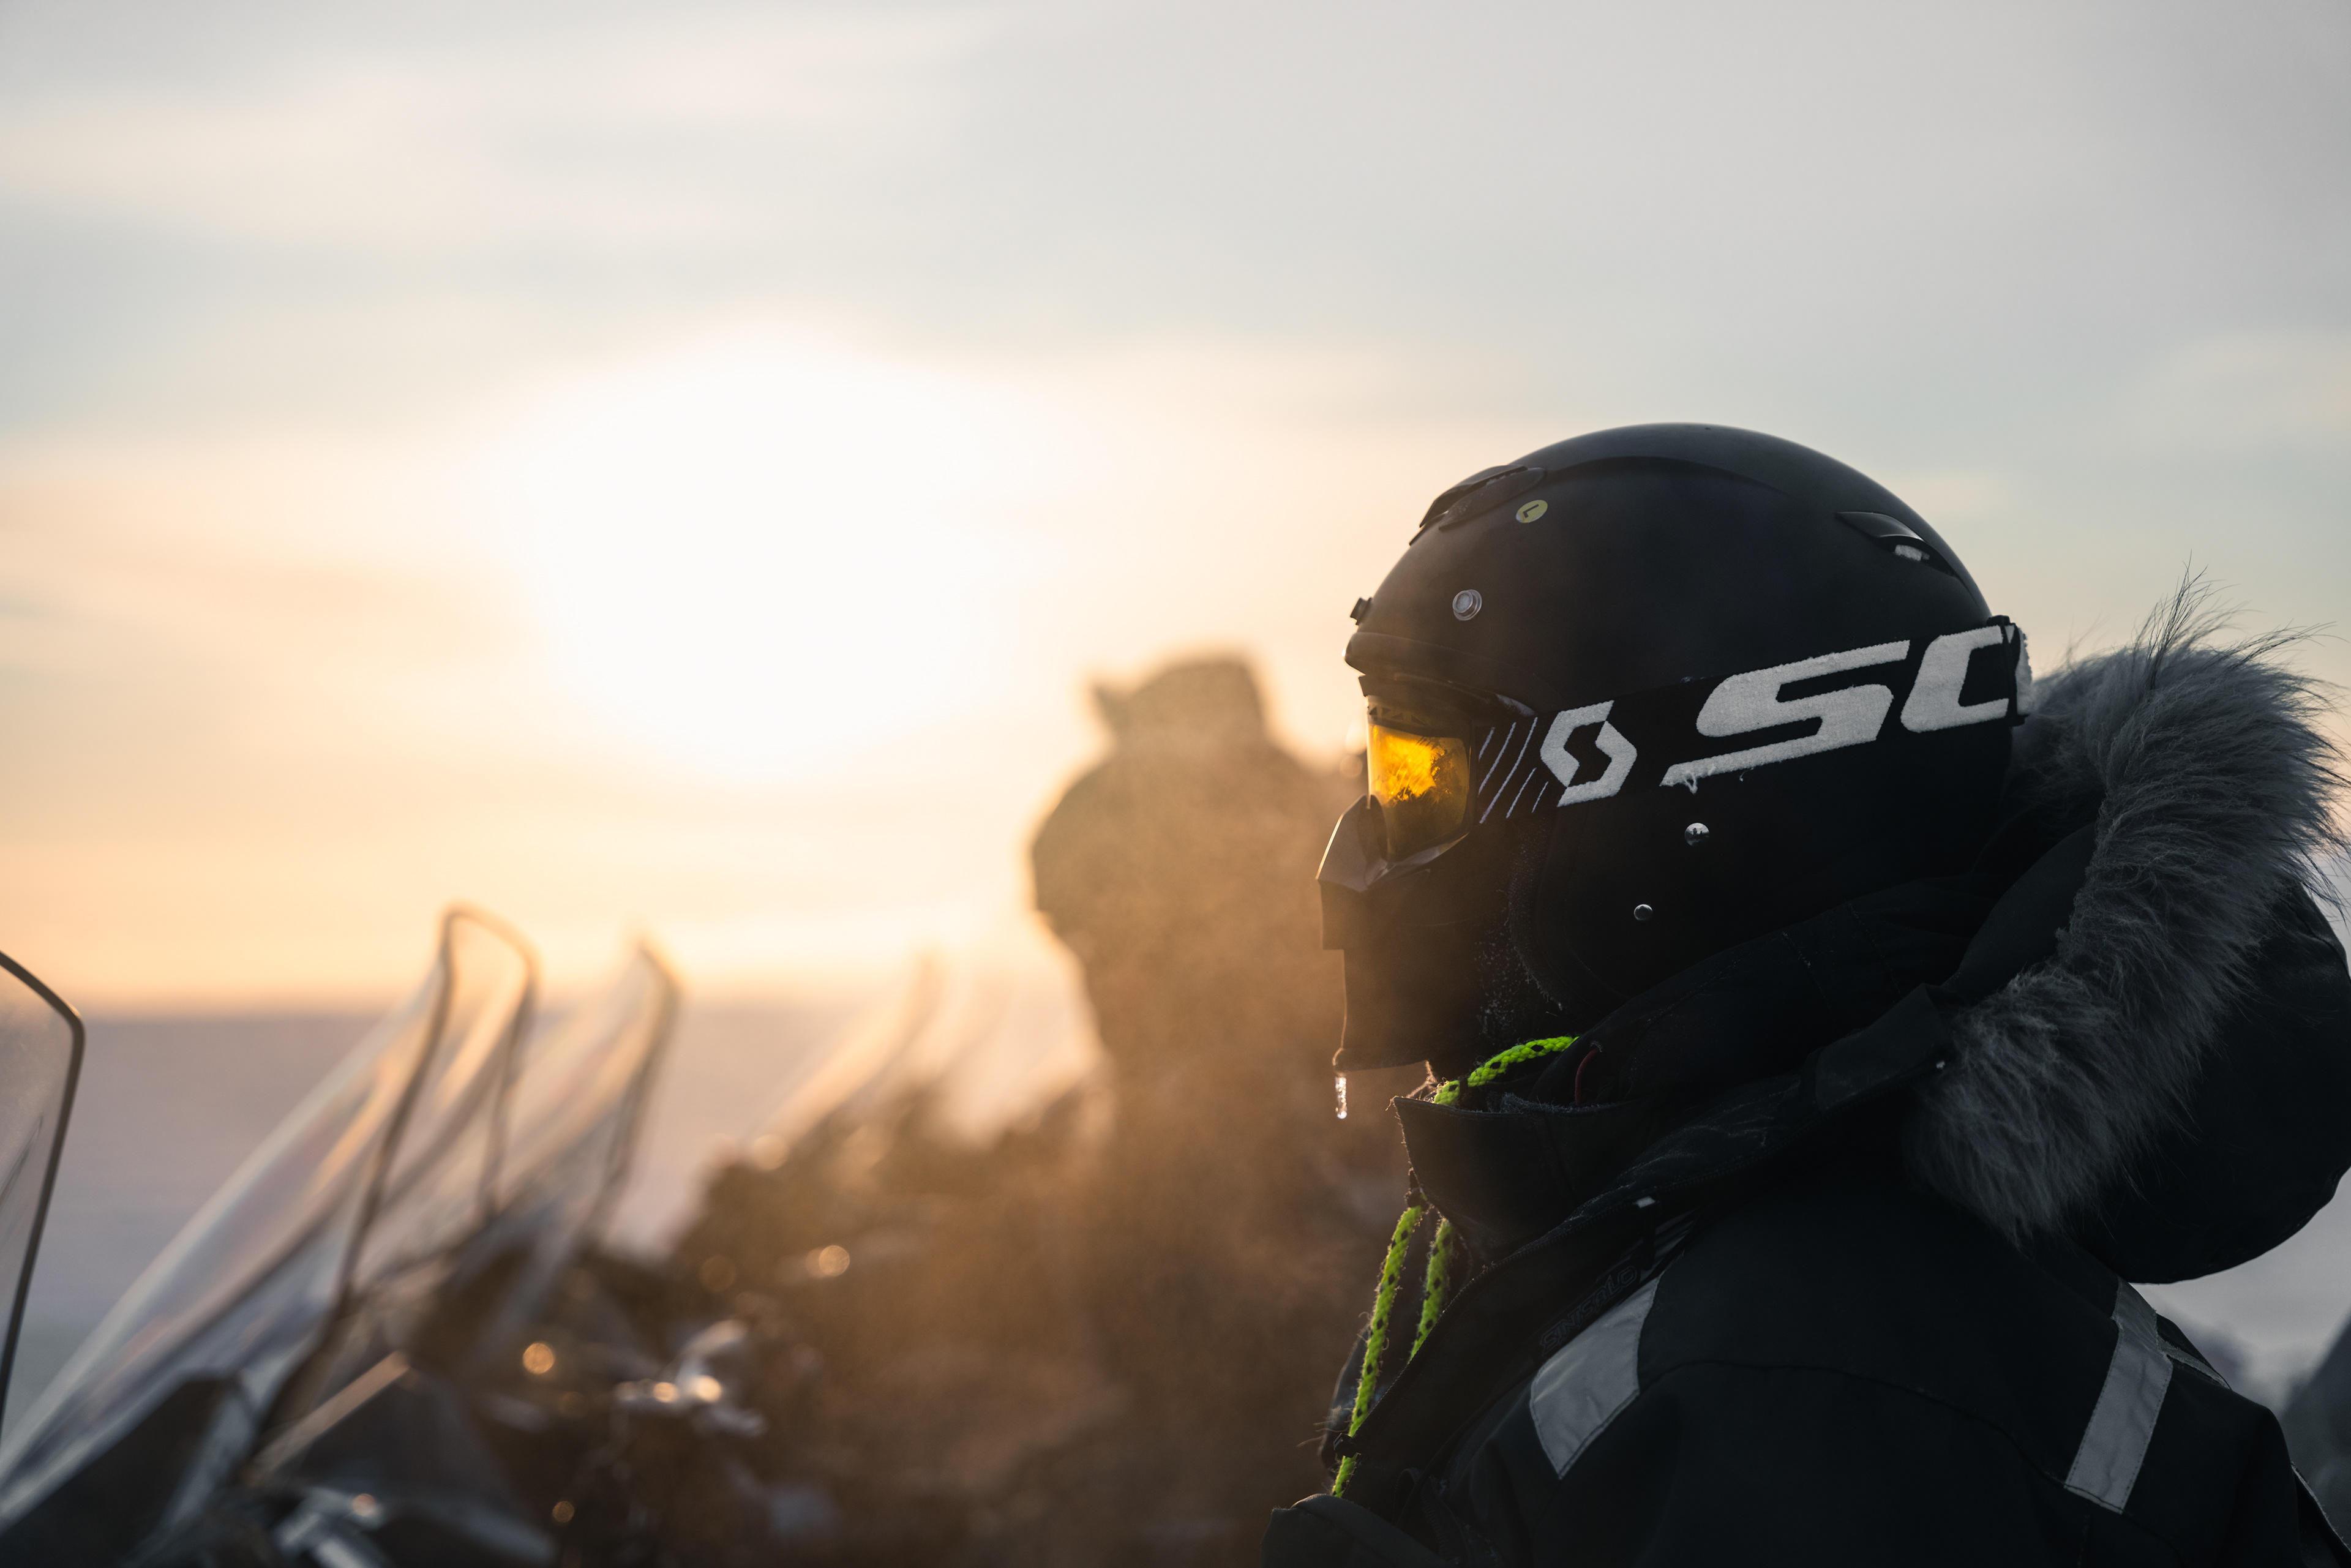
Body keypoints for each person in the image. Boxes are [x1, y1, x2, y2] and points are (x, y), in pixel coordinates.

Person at [1264, 424, 2351, 1567]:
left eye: (1418, 777)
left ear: (1672, 807)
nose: (1367, 841)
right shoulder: (1703, 1246)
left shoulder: (1795, 1381)